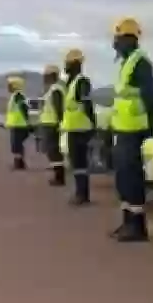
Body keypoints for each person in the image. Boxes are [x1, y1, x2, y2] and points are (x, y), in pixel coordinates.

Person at [109, 17, 153, 242]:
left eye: (118, 38)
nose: (115, 43)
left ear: (128, 38)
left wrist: (150, 127)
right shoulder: (126, 63)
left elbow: (150, 96)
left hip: (135, 129)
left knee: (132, 177)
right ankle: (127, 221)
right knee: (122, 177)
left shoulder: (140, 62)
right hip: (123, 128)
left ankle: (138, 227)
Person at [61, 48, 97, 205]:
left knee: (80, 162)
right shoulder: (71, 83)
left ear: (75, 64)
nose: (65, 66)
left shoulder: (81, 82)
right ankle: (80, 192)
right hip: (73, 127)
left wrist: (93, 124)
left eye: (67, 63)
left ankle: (82, 195)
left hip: (82, 128)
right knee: (76, 162)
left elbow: (87, 104)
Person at [39, 64, 67, 186]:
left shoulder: (56, 89)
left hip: (52, 124)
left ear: (52, 76)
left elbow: (58, 108)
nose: (44, 78)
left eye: (46, 75)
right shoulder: (53, 89)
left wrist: (60, 123)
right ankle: (58, 175)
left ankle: (59, 177)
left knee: (53, 150)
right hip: (49, 123)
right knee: (51, 151)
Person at [4, 75, 32, 171]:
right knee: (16, 145)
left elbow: (23, 109)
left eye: (10, 85)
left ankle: (19, 164)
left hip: (19, 124)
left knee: (16, 145)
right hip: (16, 124)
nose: (8, 87)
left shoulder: (18, 96)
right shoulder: (15, 96)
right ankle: (19, 163)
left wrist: (28, 122)